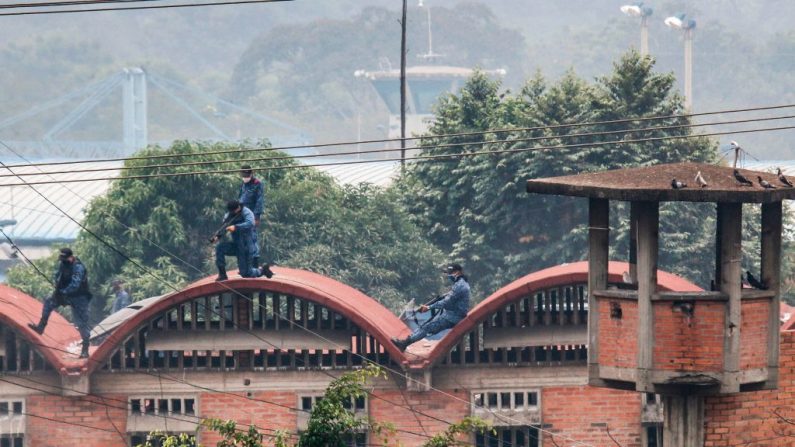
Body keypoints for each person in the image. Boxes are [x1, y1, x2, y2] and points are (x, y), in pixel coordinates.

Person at [28, 248, 93, 358]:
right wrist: (57, 287)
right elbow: (58, 275)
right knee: (49, 301)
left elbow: (75, 284)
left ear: (71, 257)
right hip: (64, 294)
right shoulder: (63, 264)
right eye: (62, 259)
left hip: (79, 297)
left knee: (81, 322)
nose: (63, 261)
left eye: (65, 259)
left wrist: (64, 291)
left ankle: (85, 349)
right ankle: (41, 326)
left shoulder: (78, 267)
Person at [391, 263, 470, 352]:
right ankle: (405, 342)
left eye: (451, 273)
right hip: (451, 315)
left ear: (458, 272)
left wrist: (429, 307)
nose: (449, 275)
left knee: (427, 328)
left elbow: (447, 302)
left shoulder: (460, 285)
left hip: (453, 317)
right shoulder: (460, 283)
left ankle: (404, 344)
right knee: (426, 326)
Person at [212, 200, 274, 281]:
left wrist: (236, 227)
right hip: (236, 245)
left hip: (246, 246)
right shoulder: (229, 215)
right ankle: (222, 274)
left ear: (238, 207)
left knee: (246, 273)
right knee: (220, 248)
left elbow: (250, 223)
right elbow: (225, 226)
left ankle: (262, 271)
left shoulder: (247, 212)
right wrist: (217, 236)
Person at [238, 165, 265, 268]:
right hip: (241, 215)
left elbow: (259, 200)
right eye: (243, 175)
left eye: (246, 175)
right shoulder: (243, 184)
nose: (244, 177)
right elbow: (240, 198)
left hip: (252, 216)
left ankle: (255, 264)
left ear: (251, 174)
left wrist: (257, 217)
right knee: (243, 241)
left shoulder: (257, 184)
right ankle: (246, 265)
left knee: (252, 238)